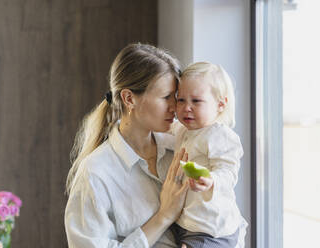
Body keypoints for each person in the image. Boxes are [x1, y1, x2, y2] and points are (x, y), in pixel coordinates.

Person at [64, 43, 191, 248]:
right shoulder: (95, 174)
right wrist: (163, 216)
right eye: (166, 97)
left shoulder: (181, 148)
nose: (174, 107)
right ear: (129, 98)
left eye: (175, 97)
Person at [170, 62, 248, 248]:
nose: (186, 107)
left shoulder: (220, 135)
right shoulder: (182, 130)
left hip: (210, 229)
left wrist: (212, 180)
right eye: (181, 100)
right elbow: (161, 131)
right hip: (186, 222)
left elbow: (228, 172)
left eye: (196, 101)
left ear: (220, 104)